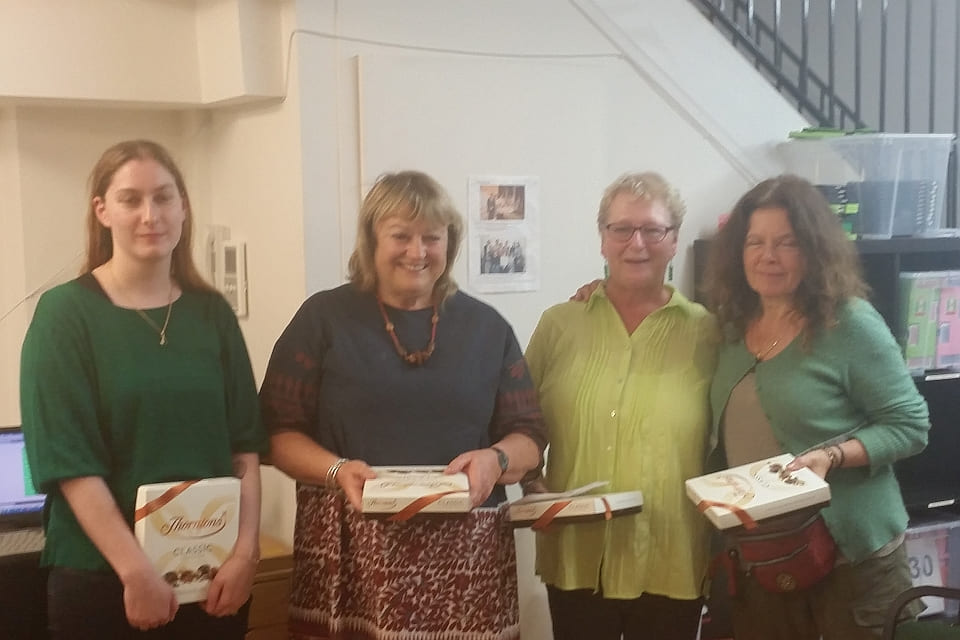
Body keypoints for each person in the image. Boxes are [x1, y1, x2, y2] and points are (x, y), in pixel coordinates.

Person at [258, 170, 547, 640]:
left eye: (432, 237)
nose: (417, 252)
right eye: (401, 236)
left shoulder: (487, 328)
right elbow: (275, 432)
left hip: (466, 564)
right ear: (371, 240)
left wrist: (496, 459)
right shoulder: (323, 319)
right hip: (351, 554)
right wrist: (336, 470)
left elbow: (529, 436)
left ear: (449, 243)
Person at [19, 140, 268, 640]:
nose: (150, 215)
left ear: (183, 207)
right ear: (102, 211)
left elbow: (243, 447)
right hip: (106, 581)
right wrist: (136, 572)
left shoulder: (211, 314)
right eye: (131, 199)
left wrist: (246, 552)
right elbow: (70, 466)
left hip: (212, 579)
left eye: (163, 197)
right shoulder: (64, 316)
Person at [704, 174, 930, 639]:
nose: (768, 256)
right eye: (755, 242)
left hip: (852, 558)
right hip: (765, 556)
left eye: (786, 242)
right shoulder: (730, 329)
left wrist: (832, 456)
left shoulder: (848, 323)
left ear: (813, 250)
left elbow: (910, 425)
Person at [525, 172, 718, 640]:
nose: (637, 243)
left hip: (670, 556)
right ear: (602, 239)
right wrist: (531, 482)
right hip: (576, 551)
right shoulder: (559, 324)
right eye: (622, 229)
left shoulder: (709, 333)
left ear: (674, 241)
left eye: (653, 229)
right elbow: (517, 419)